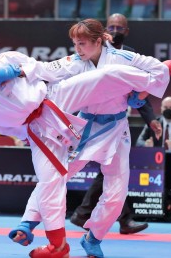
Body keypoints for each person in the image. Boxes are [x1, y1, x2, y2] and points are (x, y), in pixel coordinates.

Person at [0, 34, 171, 257]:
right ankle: (45, 236)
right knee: (51, 180)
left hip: (76, 108)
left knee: (108, 75)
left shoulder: (11, 59)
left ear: (98, 40)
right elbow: (1, 121)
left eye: (82, 43)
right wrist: (24, 133)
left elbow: (41, 69)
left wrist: (143, 92)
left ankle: (93, 237)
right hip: (51, 127)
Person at [69, 13, 161, 235]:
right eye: (112, 26)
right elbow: (69, 87)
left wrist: (151, 119)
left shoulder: (126, 57)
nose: (115, 30)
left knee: (115, 175)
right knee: (64, 170)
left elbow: (142, 89)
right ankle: (74, 215)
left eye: (120, 27)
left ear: (126, 31)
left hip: (116, 123)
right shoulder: (82, 56)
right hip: (88, 122)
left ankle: (89, 217)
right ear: (101, 33)